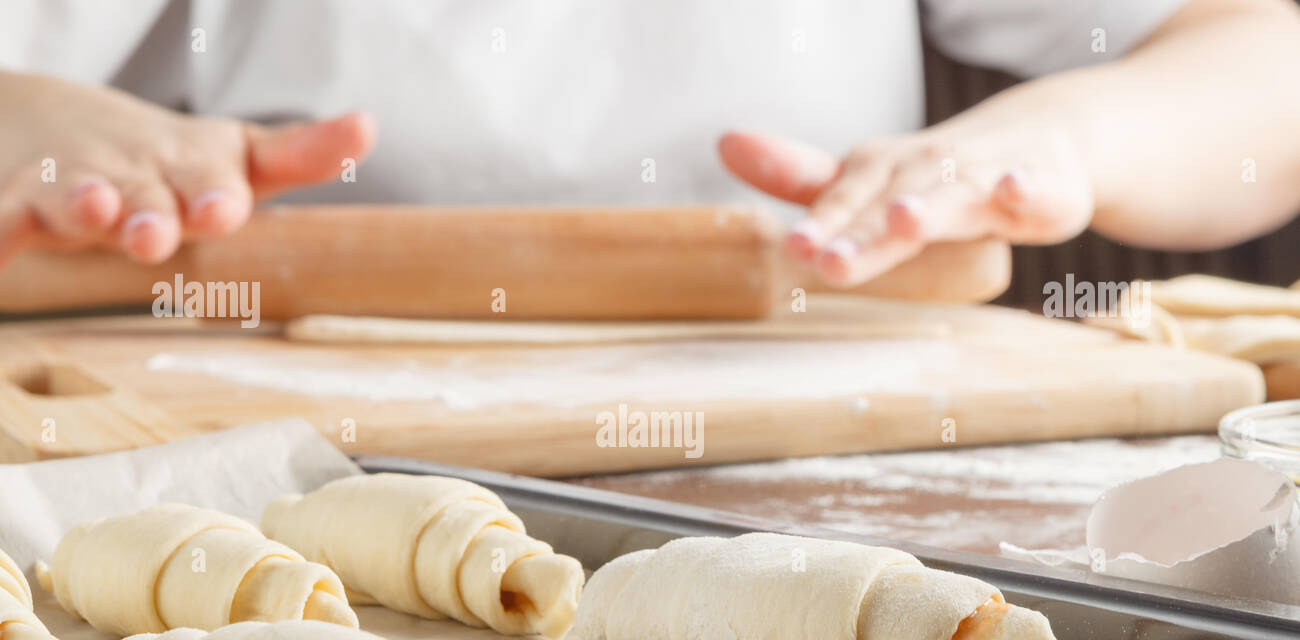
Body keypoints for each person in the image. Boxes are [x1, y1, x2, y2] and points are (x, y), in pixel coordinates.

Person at [1, 0, 1298, 289]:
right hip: (242, 435)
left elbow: (1260, 61)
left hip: (829, 427)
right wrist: (25, 115)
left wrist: (1069, 131)